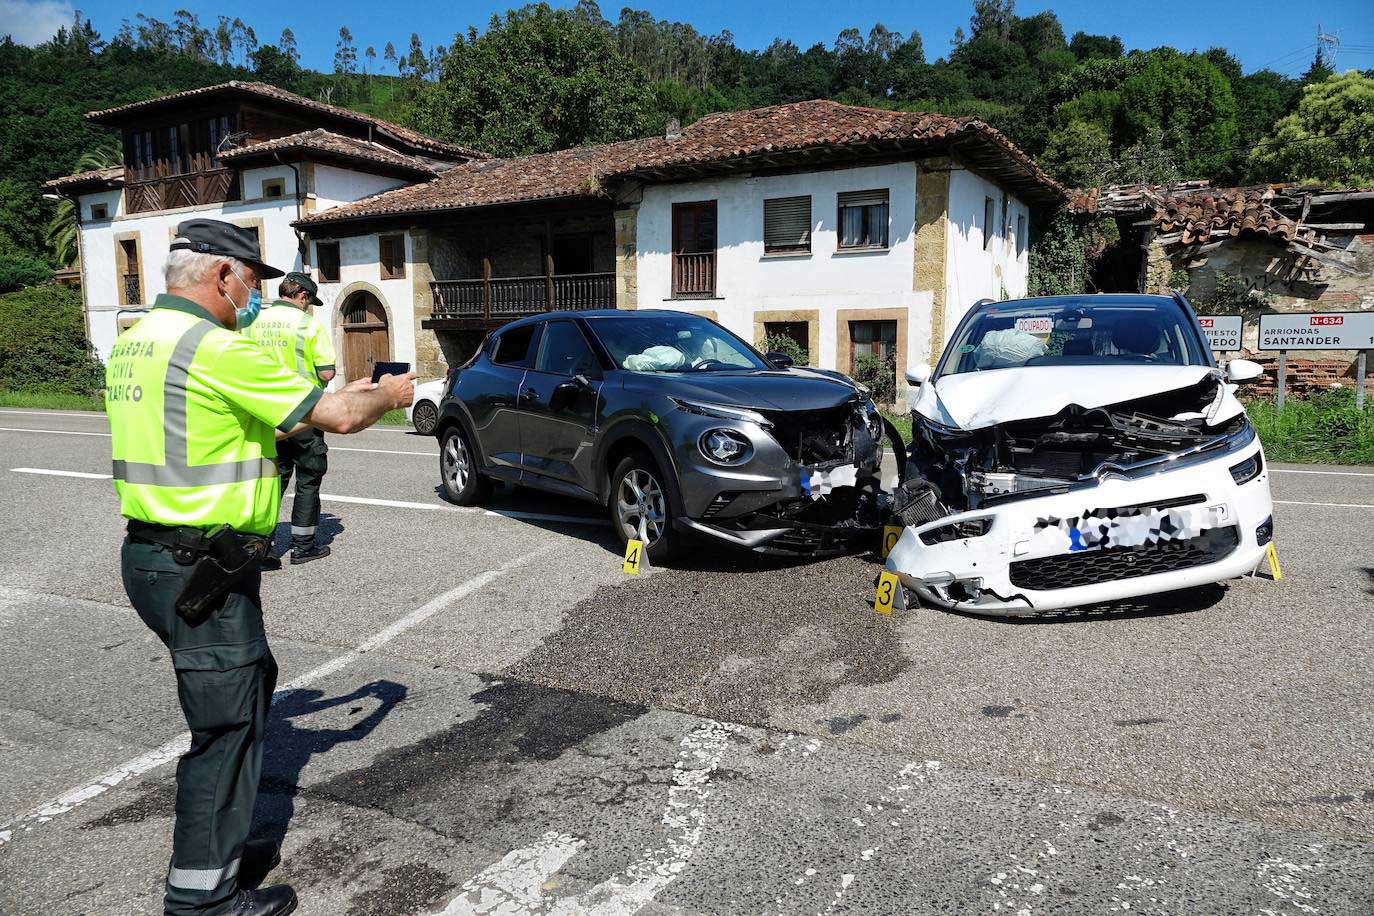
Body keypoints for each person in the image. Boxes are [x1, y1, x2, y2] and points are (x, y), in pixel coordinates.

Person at [106, 218, 414, 916]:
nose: (256, 298)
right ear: (221, 275)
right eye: (251, 281)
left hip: (157, 557)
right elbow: (336, 414)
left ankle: (226, 845)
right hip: (200, 565)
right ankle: (204, 899)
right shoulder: (212, 345)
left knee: (245, 694)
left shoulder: (138, 344)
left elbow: (249, 422)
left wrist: (312, 412)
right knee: (226, 727)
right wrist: (387, 397)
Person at [247, 271, 336, 564]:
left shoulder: (254, 322)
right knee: (308, 477)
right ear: (302, 296)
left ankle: (264, 547)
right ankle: (303, 545)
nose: (308, 307)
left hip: (267, 413)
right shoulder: (307, 325)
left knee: (273, 479)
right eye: (309, 302)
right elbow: (326, 372)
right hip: (304, 412)